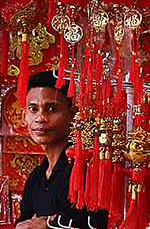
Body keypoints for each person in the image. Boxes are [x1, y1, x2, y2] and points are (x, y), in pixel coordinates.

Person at [16, 71, 109, 229]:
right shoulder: (36, 178)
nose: (40, 118)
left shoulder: (83, 171)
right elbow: (21, 226)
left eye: (51, 109)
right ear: (24, 116)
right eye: (33, 109)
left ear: (72, 115)